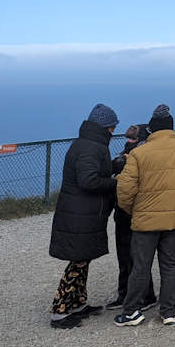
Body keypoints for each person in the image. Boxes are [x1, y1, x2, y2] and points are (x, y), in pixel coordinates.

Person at [115, 104, 175, 327]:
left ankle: (132, 311)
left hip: (144, 221)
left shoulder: (138, 153)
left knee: (141, 267)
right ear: (171, 128)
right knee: (170, 266)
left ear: (152, 131)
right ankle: (168, 311)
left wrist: (131, 210)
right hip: (174, 219)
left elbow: (124, 190)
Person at [48, 104, 119, 329]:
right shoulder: (91, 147)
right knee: (78, 262)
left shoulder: (88, 144)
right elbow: (88, 180)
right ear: (105, 126)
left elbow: (93, 172)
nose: (114, 130)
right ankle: (59, 311)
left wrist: (114, 165)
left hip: (83, 212)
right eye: (112, 126)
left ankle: (78, 303)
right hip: (80, 214)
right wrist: (116, 183)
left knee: (83, 258)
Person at [107, 123, 156, 311]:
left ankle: (146, 295)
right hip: (122, 213)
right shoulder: (123, 157)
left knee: (138, 257)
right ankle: (124, 293)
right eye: (128, 138)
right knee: (124, 254)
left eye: (133, 139)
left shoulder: (145, 158)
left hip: (138, 212)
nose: (129, 141)